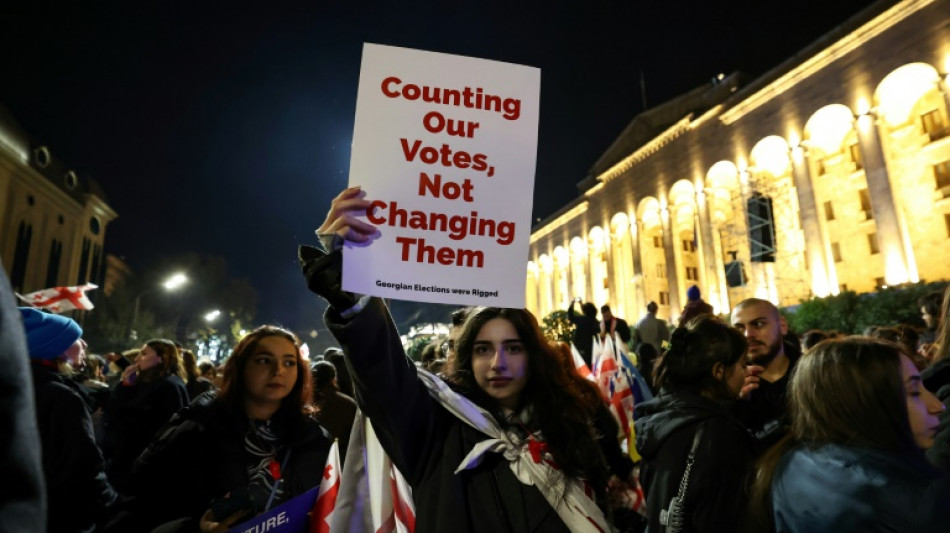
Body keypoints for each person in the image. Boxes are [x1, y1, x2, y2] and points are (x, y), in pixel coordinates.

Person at [299, 186, 611, 532]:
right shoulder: (435, 430)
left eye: (513, 347)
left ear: (534, 356)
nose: (498, 363)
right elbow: (384, 372)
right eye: (482, 349)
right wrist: (353, 285)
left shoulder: (568, 428)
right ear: (465, 357)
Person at [112, 326, 332, 532]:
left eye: (289, 363)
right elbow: (144, 504)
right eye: (264, 360)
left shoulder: (313, 438)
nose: (278, 371)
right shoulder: (197, 427)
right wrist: (196, 527)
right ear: (241, 366)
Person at [747, 337, 949, 532]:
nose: (938, 406)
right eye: (914, 391)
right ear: (862, 403)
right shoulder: (919, 498)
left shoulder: (790, 462)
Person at [635, 315, 756, 532]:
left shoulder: (660, 417)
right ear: (718, 371)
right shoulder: (720, 434)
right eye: (742, 364)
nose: (746, 372)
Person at [20, 307, 116, 532]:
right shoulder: (61, 397)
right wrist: (112, 506)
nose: (84, 344)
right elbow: (83, 468)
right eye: (75, 338)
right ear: (53, 346)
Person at [104, 338, 189, 490]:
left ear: (162, 358)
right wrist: (125, 385)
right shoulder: (144, 381)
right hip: (127, 457)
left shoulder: (170, 385)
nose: (137, 358)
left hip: (146, 463)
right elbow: (115, 411)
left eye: (144, 354)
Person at [730, 298, 799, 448]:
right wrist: (737, 403)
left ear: (782, 326)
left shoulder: (814, 374)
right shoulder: (726, 385)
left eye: (758, 324)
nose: (748, 334)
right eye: (739, 328)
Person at [311, 359, 357, 463]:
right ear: (333, 379)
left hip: (317, 460)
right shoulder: (348, 403)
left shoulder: (308, 405)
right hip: (344, 460)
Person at [567, 298, 600, 368]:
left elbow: (571, 316)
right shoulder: (595, 321)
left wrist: (572, 304)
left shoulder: (581, 320)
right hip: (592, 348)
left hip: (581, 347)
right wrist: (581, 304)